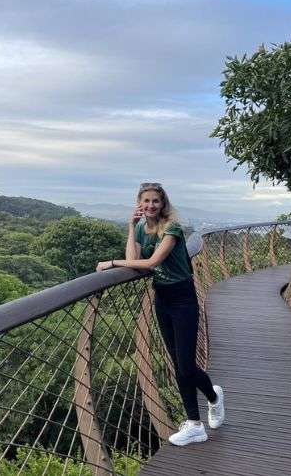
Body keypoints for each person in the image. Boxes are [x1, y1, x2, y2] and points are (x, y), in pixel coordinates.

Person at [95, 182, 224, 446]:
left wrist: (111, 263)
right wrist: (131, 227)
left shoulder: (171, 228)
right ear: (139, 204)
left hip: (183, 297)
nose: (151, 205)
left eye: (156, 201)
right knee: (179, 364)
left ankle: (203, 411)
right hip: (162, 298)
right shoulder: (143, 226)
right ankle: (204, 411)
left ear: (163, 203)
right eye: (146, 201)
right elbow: (134, 257)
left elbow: (152, 263)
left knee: (185, 366)